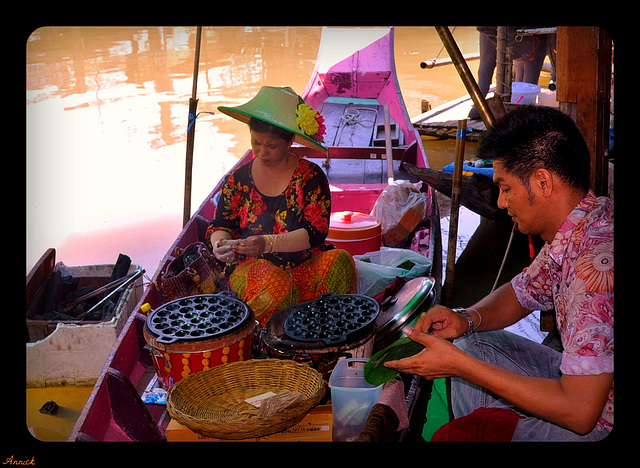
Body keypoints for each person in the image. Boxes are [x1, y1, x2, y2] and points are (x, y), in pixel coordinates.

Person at [386, 105, 613, 441]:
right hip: (592, 389)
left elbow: (581, 414)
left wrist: (461, 367)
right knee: (467, 342)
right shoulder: (583, 222)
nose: (502, 203)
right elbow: (522, 292)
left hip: (600, 419)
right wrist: (465, 318)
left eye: (505, 188)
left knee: (463, 422)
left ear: (542, 182)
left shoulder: (594, 269)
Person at [206, 86, 356, 325]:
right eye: (256, 143)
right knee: (271, 281)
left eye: (271, 146)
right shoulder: (238, 179)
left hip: (303, 265)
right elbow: (221, 225)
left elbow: (315, 234)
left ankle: (320, 332)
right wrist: (219, 245)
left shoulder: (310, 176)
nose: (262, 152)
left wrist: (267, 243)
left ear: (290, 142)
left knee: (341, 261)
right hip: (254, 270)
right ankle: (268, 344)